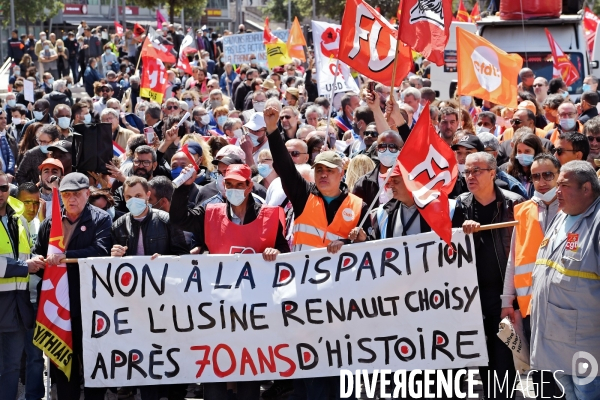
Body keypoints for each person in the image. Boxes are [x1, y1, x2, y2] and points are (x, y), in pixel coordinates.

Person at [32, 172, 111, 400]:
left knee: (92, 360)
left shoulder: (101, 219)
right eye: (66, 194)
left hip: (89, 304)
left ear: (88, 193)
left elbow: (101, 250)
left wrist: (65, 256)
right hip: (58, 305)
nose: (72, 199)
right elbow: (40, 254)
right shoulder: (50, 222)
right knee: (62, 361)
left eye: (77, 194)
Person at [452, 152, 524, 400]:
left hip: (504, 296)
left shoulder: (514, 204)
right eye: (467, 172)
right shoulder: (459, 205)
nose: (470, 176)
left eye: (476, 171)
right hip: (471, 296)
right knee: (481, 359)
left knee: (504, 360)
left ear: (493, 173)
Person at [530, 160, 600, 399]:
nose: (557, 191)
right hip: (553, 342)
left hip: (585, 346)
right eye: (557, 185)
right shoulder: (561, 215)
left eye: (564, 185)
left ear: (586, 188)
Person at [500, 153, 561, 397]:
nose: (542, 181)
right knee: (539, 367)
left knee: (565, 365)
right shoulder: (522, 211)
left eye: (548, 175)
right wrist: (507, 300)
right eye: (536, 176)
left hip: (563, 301)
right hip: (531, 306)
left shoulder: (572, 206)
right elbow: (514, 259)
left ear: (559, 176)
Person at [0, 170, 45, 400]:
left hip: (18, 306)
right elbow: (22, 263)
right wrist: (24, 266)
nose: (0, 193)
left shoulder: (18, 220)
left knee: (11, 368)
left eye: (3, 188)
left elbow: (30, 255)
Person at [15, 182, 44, 400]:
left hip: (36, 299)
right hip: (13, 299)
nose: (32, 208)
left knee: (35, 355)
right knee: (14, 356)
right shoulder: (11, 224)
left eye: (36, 203)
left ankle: (33, 396)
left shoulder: (42, 225)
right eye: (27, 203)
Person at [504, 132, 546, 198]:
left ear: (536, 152)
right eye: (519, 151)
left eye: (527, 151)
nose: (522, 155)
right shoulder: (508, 170)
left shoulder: (545, 172)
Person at [0, 109, 16, 177]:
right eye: (0, 118)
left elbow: (11, 157)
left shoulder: (3, 138)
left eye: (5, 118)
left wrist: (9, 172)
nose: (4, 121)